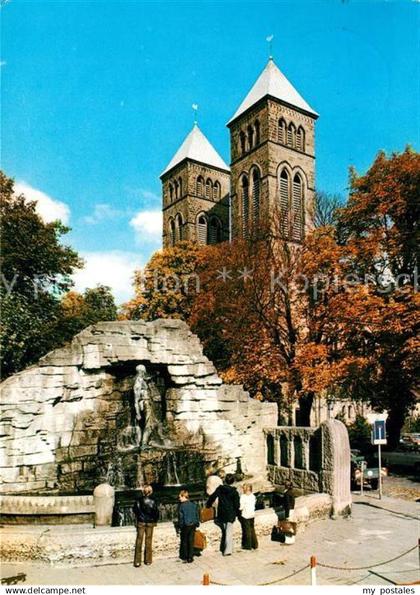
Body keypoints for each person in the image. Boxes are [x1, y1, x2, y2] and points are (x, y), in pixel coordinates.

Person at [206, 473, 239, 556]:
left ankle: (224, 547)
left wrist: (208, 505)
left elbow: (212, 497)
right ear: (233, 481)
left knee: (225, 530)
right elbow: (237, 504)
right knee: (228, 531)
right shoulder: (234, 492)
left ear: (225, 481)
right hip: (230, 514)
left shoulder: (220, 489)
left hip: (222, 513)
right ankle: (227, 550)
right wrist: (238, 513)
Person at [133, 484, 160, 567]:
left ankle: (137, 561)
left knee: (139, 541)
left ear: (143, 491)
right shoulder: (154, 501)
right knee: (148, 541)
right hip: (150, 523)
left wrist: (139, 517)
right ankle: (148, 560)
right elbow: (156, 512)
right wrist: (154, 520)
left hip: (141, 522)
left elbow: (135, 510)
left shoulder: (138, 500)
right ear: (151, 491)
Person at [177, 490, 200, 563]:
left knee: (184, 541)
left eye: (180, 497)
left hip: (185, 525)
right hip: (193, 525)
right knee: (191, 540)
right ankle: (190, 557)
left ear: (184, 496)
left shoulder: (181, 506)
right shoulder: (193, 504)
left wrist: (180, 527)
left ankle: (185, 556)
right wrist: (197, 523)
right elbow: (196, 515)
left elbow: (181, 518)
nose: (179, 498)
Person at [239, 483, 258, 550]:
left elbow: (241, 507)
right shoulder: (253, 496)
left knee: (247, 531)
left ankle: (248, 545)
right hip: (252, 514)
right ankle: (255, 544)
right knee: (252, 529)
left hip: (245, 515)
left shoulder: (243, 497)